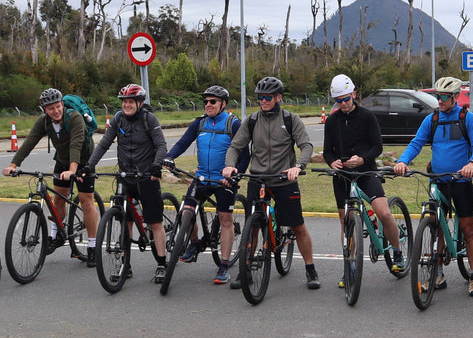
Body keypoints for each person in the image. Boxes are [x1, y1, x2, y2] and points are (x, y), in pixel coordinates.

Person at [221, 75, 320, 289]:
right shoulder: (252, 120)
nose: (263, 101)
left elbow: (306, 146)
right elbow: (235, 146)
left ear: (278, 98)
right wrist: (229, 165)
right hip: (258, 179)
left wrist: (298, 166)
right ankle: (246, 269)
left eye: (268, 97)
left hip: (284, 179)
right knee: (253, 227)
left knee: (297, 226)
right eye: (260, 97)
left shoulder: (290, 119)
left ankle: (310, 269)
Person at [393, 75, 473, 297]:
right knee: (436, 226)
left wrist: (472, 163)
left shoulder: (467, 118)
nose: (439, 101)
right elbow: (416, 143)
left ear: (455, 97)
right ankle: (438, 274)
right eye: (437, 96)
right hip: (437, 181)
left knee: (468, 228)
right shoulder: (432, 119)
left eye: (444, 97)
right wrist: (403, 161)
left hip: (461, 181)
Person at [322, 73, 405, 282]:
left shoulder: (367, 116)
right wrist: (332, 162)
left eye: (345, 99)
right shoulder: (332, 121)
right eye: (338, 101)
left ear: (353, 95)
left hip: (366, 172)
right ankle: (349, 266)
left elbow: (377, 147)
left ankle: (397, 251)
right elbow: (327, 151)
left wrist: (362, 159)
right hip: (342, 176)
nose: (343, 104)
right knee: (346, 222)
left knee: (384, 213)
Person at [3, 87, 99, 266]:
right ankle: (56, 236)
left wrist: (73, 170)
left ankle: (93, 247)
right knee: (58, 200)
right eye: (50, 108)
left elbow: (76, 144)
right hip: (62, 160)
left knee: (86, 201)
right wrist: (13, 165)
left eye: (57, 106)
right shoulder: (44, 121)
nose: (55, 111)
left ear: (62, 104)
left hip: (84, 160)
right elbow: (30, 142)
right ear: (44, 110)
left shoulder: (74, 117)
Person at [84, 83, 169, 283]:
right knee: (125, 221)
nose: (126, 105)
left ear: (139, 103)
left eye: (131, 101)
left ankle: (162, 264)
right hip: (125, 177)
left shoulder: (149, 119)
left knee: (155, 223)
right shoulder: (118, 119)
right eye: (124, 102)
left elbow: (161, 145)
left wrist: (156, 166)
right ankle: (125, 265)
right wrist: (89, 166)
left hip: (146, 177)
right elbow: (104, 144)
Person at [164, 84, 248, 285]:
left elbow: (245, 154)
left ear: (223, 104)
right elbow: (183, 143)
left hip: (224, 179)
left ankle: (224, 265)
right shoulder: (199, 123)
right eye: (206, 101)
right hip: (202, 177)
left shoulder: (233, 124)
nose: (208, 105)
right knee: (186, 212)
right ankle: (194, 243)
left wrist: (235, 174)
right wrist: (169, 157)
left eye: (213, 101)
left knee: (225, 219)